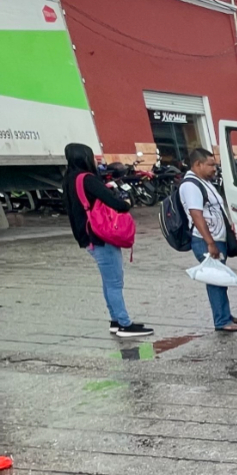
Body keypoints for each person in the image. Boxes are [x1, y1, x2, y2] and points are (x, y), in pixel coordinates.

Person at [62, 143, 153, 338]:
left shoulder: (69, 179)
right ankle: (124, 325)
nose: (95, 159)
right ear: (84, 157)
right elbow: (116, 203)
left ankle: (115, 320)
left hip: (87, 237)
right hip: (101, 237)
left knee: (108, 281)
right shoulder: (87, 179)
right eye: (92, 156)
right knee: (114, 283)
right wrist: (127, 203)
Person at [182, 148, 237, 333]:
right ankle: (221, 320)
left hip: (217, 237)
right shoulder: (191, 185)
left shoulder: (205, 182)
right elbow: (196, 214)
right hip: (206, 240)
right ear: (197, 165)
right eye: (210, 165)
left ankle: (225, 314)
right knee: (215, 280)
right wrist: (210, 242)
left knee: (220, 277)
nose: (214, 168)